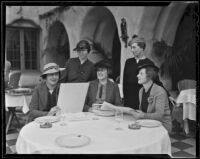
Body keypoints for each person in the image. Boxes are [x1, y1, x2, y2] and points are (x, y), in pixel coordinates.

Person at [128, 64, 172, 133]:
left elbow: (159, 115)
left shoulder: (159, 91)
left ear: (149, 76)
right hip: (148, 123)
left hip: (162, 126)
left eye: (141, 74)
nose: (137, 75)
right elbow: (142, 111)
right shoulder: (141, 91)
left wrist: (142, 115)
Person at [123, 35, 156, 110]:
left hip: (142, 99)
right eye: (131, 48)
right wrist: (125, 98)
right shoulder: (128, 62)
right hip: (129, 98)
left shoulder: (149, 63)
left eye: (134, 47)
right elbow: (124, 81)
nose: (132, 50)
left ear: (141, 47)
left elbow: (155, 81)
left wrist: (168, 95)